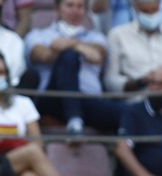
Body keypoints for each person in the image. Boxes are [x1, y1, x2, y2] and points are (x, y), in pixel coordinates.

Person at [19, 0, 117, 138]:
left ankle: (77, 120)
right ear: (58, 9)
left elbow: (98, 56)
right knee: (68, 56)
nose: (75, 11)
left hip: (89, 101)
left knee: (128, 114)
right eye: (70, 5)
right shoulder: (38, 34)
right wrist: (78, 49)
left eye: (80, 6)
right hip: (52, 100)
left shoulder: (96, 37)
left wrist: (71, 43)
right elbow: (42, 55)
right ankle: (74, 119)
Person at [0, 48, 60, 176]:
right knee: (32, 151)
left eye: (1, 72)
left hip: (21, 158)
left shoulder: (23, 103)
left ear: (7, 77)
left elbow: (38, 142)